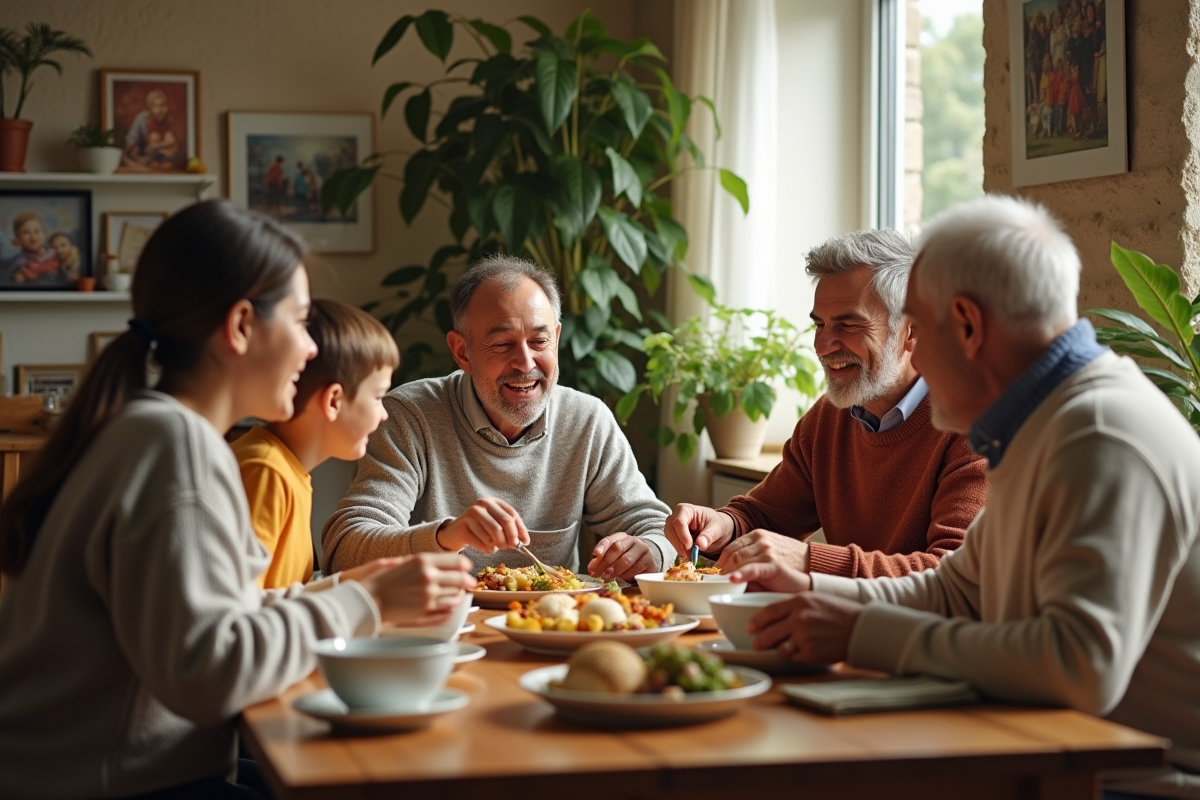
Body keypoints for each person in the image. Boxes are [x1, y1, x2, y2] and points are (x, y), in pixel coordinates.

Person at [0, 199, 475, 799]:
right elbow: (210, 671)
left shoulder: (151, 430)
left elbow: (219, 616)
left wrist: (347, 588)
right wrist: (365, 598)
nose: (309, 350)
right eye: (301, 322)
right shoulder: (178, 449)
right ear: (242, 326)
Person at [734, 195, 1200, 800]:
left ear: (969, 326)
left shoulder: (1099, 433)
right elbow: (959, 588)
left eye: (920, 331)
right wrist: (820, 592)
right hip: (1051, 750)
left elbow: (1078, 667)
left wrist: (858, 632)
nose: (915, 355)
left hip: (1139, 782)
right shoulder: (1037, 420)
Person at [322, 255, 675, 582]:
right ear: (462, 351)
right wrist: (447, 535)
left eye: (539, 341)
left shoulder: (586, 420)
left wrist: (651, 551)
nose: (525, 363)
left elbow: (656, 526)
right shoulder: (410, 417)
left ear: (556, 338)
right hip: (440, 630)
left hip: (554, 628)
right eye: (503, 345)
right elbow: (345, 548)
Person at [664, 229, 987, 580]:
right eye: (819, 324)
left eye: (848, 324)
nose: (824, 346)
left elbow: (955, 576)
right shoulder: (830, 417)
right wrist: (722, 525)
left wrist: (809, 560)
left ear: (912, 331)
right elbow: (766, 516)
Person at [232, 298, 400, 589]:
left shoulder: (288, 471)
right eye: (377, 397)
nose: (384, 414)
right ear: (334, 400)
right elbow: (243, 610)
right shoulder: (265, 472)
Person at [122, 88, 183, 171]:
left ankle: (159, 163)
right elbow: (132, 138)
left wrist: (157, 146)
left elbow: (172, 141)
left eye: (162, 105)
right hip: (144, 151)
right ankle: (151, 163)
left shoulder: (169, 120)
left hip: (160, 151)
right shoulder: (142, 119)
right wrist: (128, 151)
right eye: (155, 106)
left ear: (167, 106)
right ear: (149, 108)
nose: (159, 110)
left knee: (170, 151)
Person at [8, 212, 61, 284]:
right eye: (26, 233)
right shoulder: (20, 264)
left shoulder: (54, 253)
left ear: (43, 233)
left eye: (37, 231)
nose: (33, 237)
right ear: (18, 238)